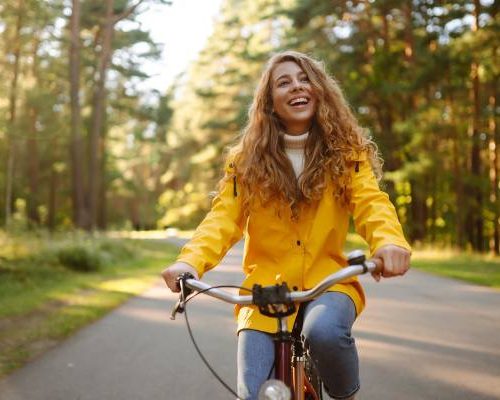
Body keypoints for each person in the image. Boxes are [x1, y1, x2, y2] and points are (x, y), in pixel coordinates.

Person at [162, 50, 411, 400]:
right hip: (263, 292)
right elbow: (222, 218)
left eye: (304, 78)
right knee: (251, 391)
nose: (297, 86)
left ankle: (345, 396)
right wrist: (189, 261)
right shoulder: (247, 162)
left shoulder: (346, 153)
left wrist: (388, 243)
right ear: (270, 102)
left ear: (319, 89)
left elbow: (372, 203)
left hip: (328, 282)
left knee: (324, 332)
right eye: (284, 82)